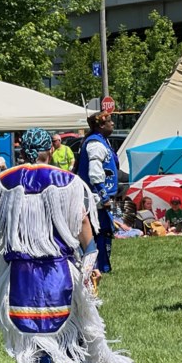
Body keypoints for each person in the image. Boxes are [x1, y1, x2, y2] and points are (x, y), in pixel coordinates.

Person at [0, 127, 143, 363]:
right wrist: (90, 261)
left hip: (20, 273)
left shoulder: (3, 182)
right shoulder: (68, 182)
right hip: (59, 269)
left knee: (33, 335)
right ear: (49, 150)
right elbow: (83, 225)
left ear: (21, 151)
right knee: (69, 327)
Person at [77, 110, 119, 273]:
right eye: (110, 121)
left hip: (100, 198)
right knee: (99, 231)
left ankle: (102, 266)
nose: (113, 123)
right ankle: (98, 266)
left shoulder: (101, 141)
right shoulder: (95, 144)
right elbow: (95, 174)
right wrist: (104, 196)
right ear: (101, 125)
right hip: (95, 198)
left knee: (105, 230)